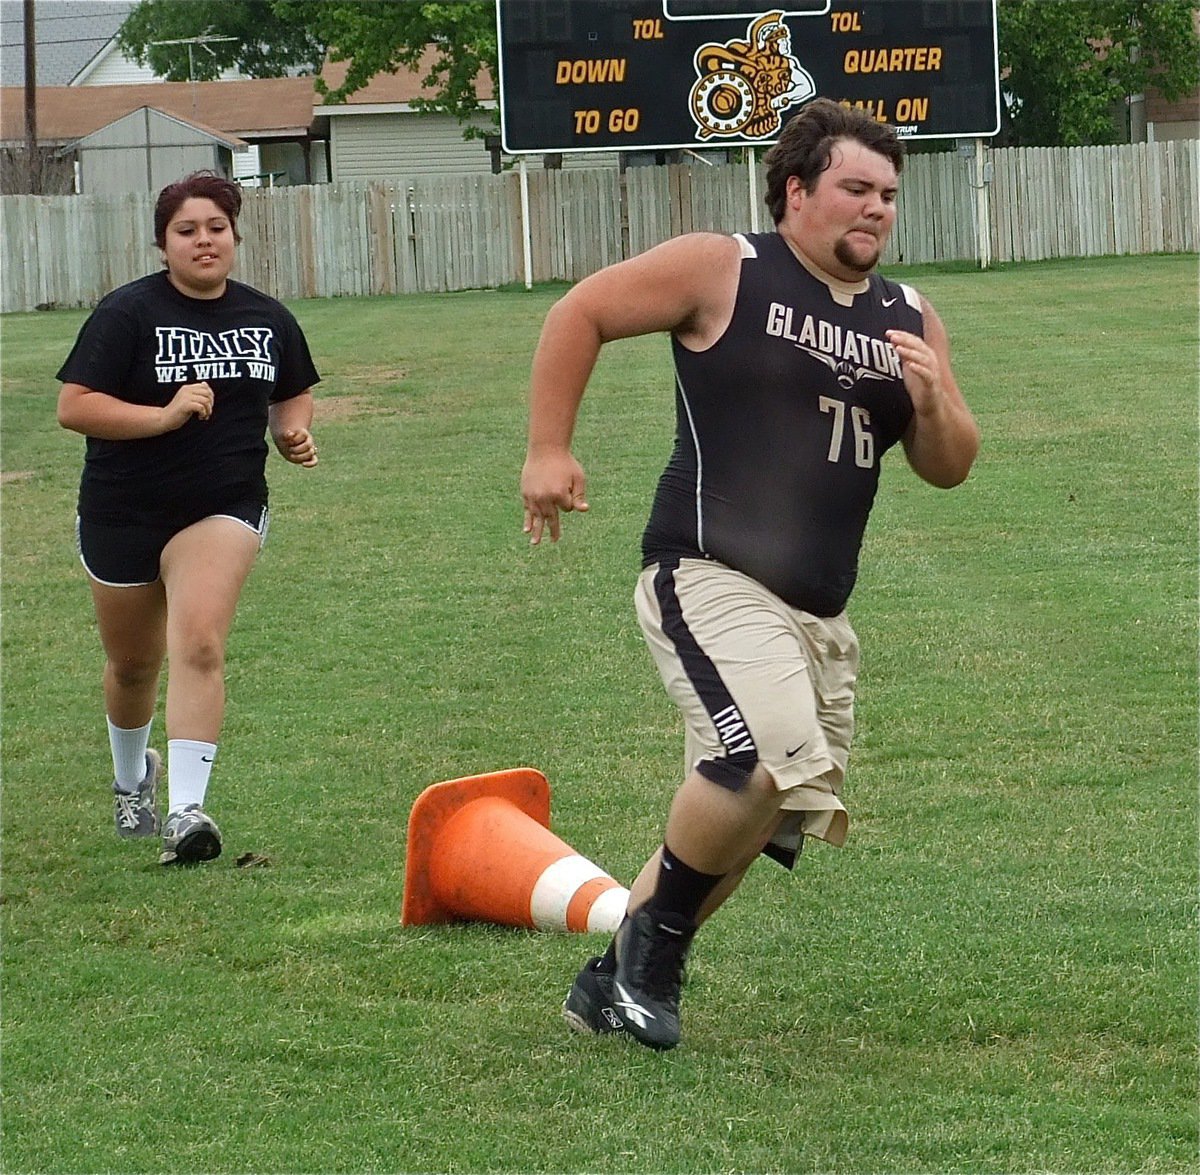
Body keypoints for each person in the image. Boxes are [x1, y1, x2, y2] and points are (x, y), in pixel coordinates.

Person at [520, 99, 980, 1050]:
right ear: (796, 190)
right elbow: (584, 310)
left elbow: (950, 464)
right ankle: (652, 963)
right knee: (754, 760)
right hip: (709, 573)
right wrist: (547, 448)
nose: (876, 209)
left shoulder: (910, 315)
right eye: (856, 188)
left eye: (889, 195)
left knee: (761, 808)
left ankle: (610, 980)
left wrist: (933, 398)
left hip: (819, 616)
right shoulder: (724, 267)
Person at [57, 170, 321, 866]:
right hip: (123, 508)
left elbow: (292, 391)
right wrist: (163, 415)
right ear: (163, 243)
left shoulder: (267, 316)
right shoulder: (126, 314)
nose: (204, 240)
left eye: (216, 227)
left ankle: (185, 811)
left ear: (235, 236)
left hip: (223, 503)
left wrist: (292, 433)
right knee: (132, 663)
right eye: (187, 230)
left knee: (199, 640)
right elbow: (75, 405)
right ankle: (131, 780)